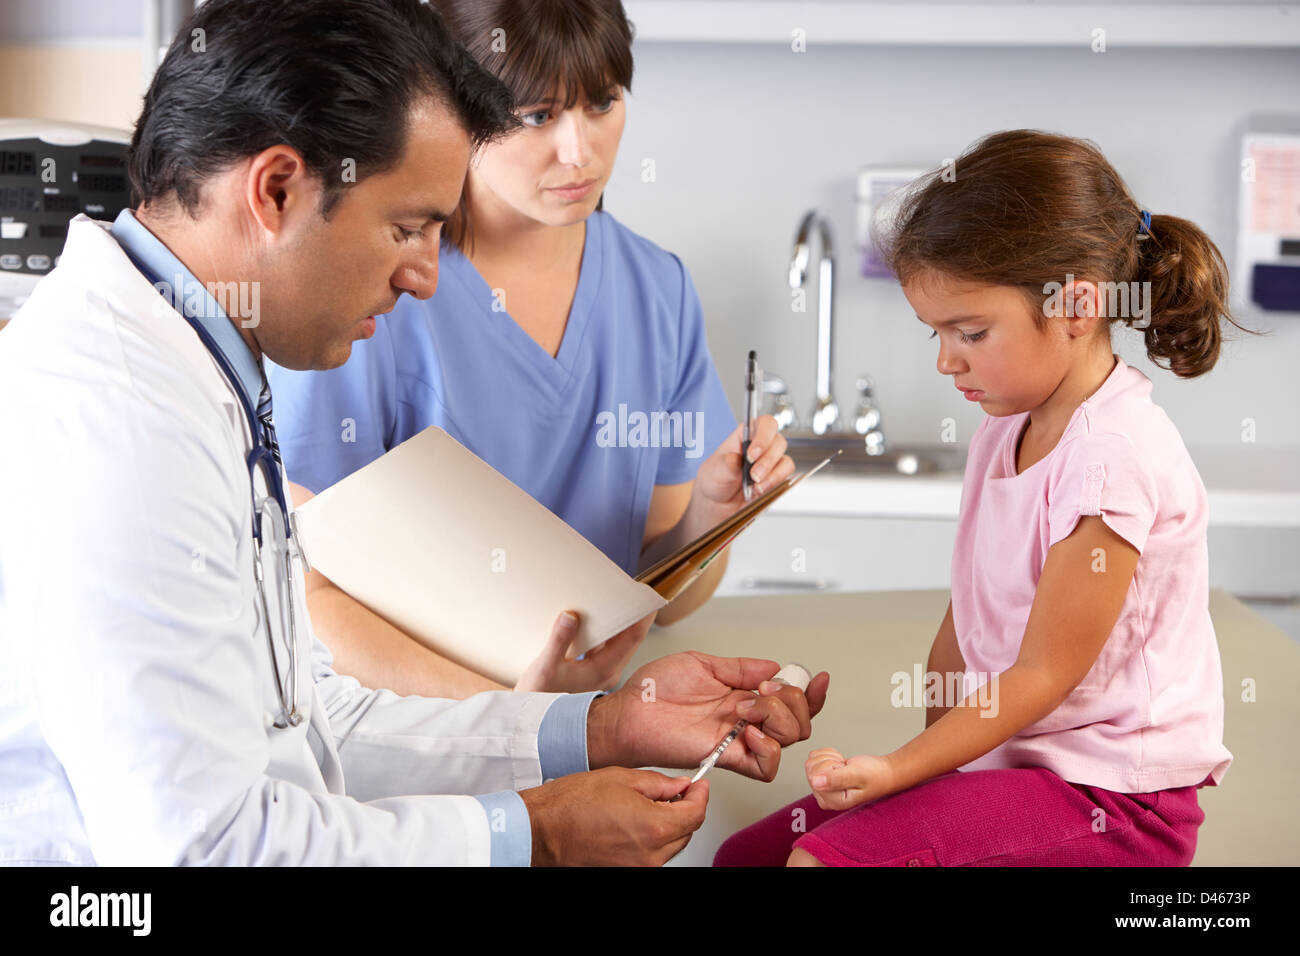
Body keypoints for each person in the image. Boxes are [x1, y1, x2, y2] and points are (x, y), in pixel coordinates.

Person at [0, 0, 828, 867]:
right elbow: (211, 847)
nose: (426, 277)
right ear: (276, 189)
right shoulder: (120, 423)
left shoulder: (197, 371)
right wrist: (535, 832)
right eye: (408, 227)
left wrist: (603, 723)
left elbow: (318, 722)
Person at [715, 129, 1242, 867]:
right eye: (936, 333)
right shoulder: (1005, 431)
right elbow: (966, 622)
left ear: (1078, 306)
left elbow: (1042, 673)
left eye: (969, 331)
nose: (945, 360)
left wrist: (901, 772)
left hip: (1112, 805)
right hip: (1016, 773)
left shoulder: (1110, 461)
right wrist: (926, 778)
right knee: (746, 859)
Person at [265, 0, 793, 698]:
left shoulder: (655, 290)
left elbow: (653, 602)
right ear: (457, 108)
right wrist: (525, 722)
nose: (580, 151)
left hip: (596, 733)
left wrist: (711, 518)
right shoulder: (374, 294)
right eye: (538, 115)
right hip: (421, 740)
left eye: (603, 103)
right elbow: (312, 602)